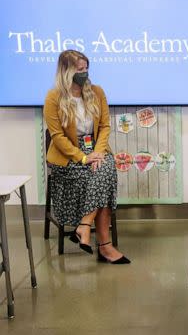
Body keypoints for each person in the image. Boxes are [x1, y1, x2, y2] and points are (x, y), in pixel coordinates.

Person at [44, 50, 129, 264]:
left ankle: (84, 226)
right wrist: (83, 157)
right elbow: (57, 137)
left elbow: (105, 127)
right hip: (69, 155)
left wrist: (98, 152)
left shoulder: (97, 92)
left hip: (96, 149)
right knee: (104, 176)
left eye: (86, 68)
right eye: (79, 69)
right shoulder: (53, 97)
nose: (84, 73)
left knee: (105, 168)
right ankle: (105, 247)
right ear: (66, 72)